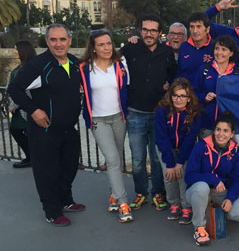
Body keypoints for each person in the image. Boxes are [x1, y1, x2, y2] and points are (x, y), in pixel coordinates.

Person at [8, 24, 85, 226]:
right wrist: (33, 110)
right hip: (44, 130)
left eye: (62, 39)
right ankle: (51, 211)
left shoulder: (75, 63)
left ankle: (66, 200)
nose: (58, 44)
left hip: (68, 128)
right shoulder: (38, 65)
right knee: (47, 172)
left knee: (69, 167)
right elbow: (14, 88)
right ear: (47, 42)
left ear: (69, 40)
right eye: (53, 40)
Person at [121, 13, 177, 211]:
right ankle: (140, 193)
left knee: (156, 158)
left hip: (158, 114)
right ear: (140, 30)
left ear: (160, 33)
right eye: (145, 29)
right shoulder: (130, 48)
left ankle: (158, 193)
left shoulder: (166, 52)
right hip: (135, 112)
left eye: (153, 30)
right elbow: (113, 65)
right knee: (137, 160)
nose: (149, 34)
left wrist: (168, 85)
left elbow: (173, 75)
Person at [80, 30, 132, 223]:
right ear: (93, 48)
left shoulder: (120, 65)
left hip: (119, 117)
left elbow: (128, 87)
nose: (106, 47)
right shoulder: (84, 68)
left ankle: (114, 194)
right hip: (98, 120)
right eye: (101, 44)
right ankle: (124, 202)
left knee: (117, 157)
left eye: (109, 43)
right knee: (111, 159)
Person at [185, 111, 239, 246]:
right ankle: (199, 227)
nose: (221, 134)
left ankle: (209, 212)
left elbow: (238, 179)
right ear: (213, 131)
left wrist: (230, 198)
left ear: (232, 134)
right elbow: (189, 176)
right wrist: (213, 179)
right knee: (202, 187)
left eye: (226, 131)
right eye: (218, 129)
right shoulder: (201, 146)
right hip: (197, 191)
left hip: (220, 192)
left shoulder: (235, 151)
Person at [155, 78, 202, 225]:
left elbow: (190, 139)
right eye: (175, 95)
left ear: (189, 99)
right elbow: (161, 137)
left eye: (182, 96)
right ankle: (174, 204)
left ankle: (186, 206)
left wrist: (179, 162)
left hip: (184, 150)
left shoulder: (195, 113)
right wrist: (170, 163)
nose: (178, 99)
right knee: (169, 177)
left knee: (182, 177)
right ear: (170, 96)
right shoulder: (162, 112)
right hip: (165, 149)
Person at [194, 36, 239, 132]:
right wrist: (204, 97)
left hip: (229, 127)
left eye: (224, 49)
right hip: (207, 125)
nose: (219, 53)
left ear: (231, 53)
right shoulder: (205, 69)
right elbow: (193, 93)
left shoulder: (238, 73)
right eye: (217, 48)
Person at [7, 40, 36, 168]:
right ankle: (30, 157)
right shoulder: (19, 68)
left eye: (16, 49)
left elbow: (25, 89)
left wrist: (14, 104)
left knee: (28, 132)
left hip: (24, 108)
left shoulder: (29, 68)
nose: (14, 51)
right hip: (19, 110)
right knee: (16, 130)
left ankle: (33, 158)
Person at [177, 12, 213, 83]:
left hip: (206, 93)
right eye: (192, 27)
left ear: (207, 29)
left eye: (199, 26)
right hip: (185, 91)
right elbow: (179, 72)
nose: (195, 31)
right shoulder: (184, 47)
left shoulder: (216, 48)